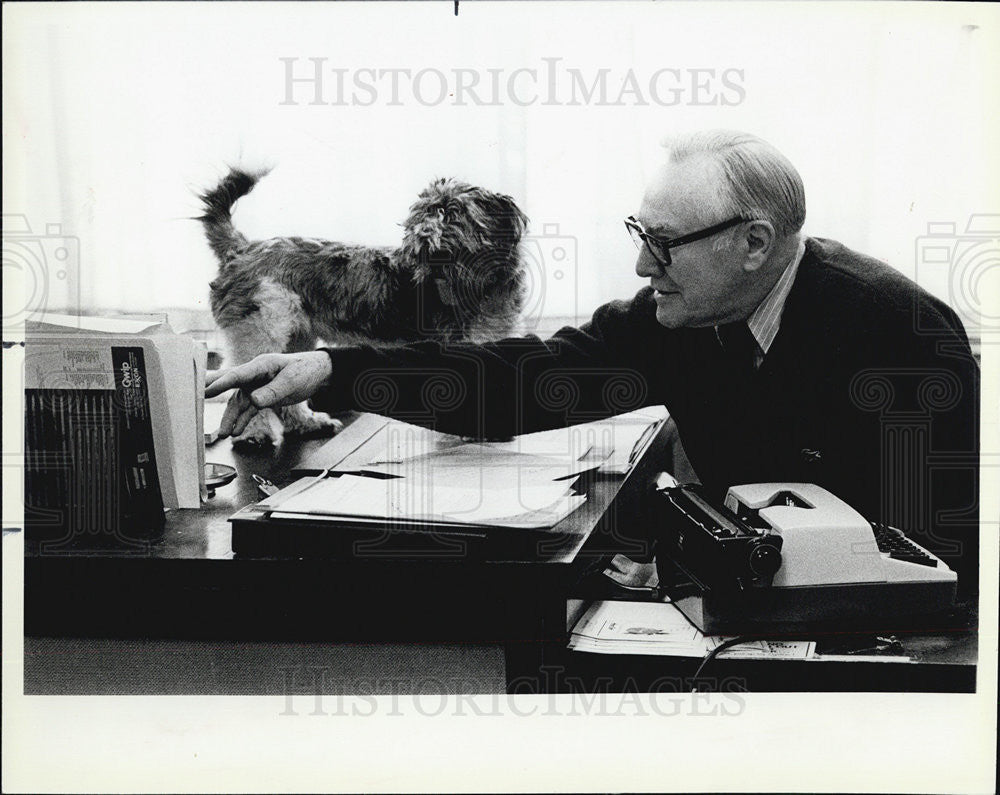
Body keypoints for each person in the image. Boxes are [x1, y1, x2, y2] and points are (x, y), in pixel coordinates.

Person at [206, 130, 980, 595]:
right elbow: (521, 382)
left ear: (753, 243)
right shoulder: (681, 315)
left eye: (665, 242)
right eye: (639, 233)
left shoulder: (900, 337)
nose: (644, 266)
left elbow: (937, 556)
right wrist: (333, 373)